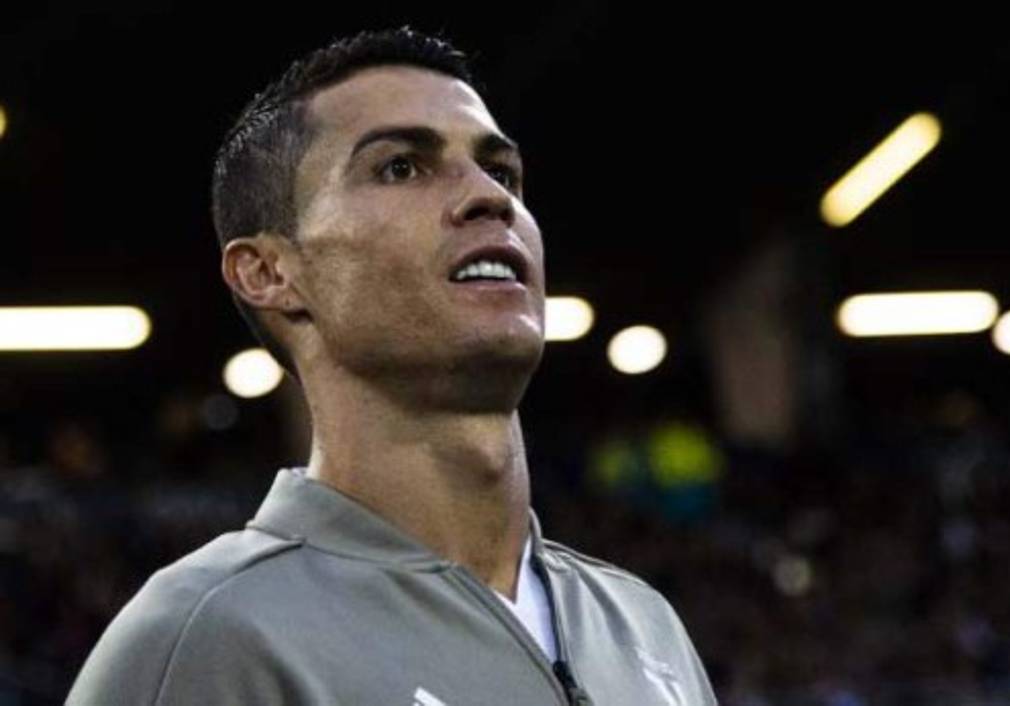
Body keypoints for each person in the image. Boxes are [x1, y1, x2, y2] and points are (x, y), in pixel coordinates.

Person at [67, 25, 715, 706]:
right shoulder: (207, 637)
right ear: (269, 272)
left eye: (501, 171)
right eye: (400, 167)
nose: (490, 198)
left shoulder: (645, 626)